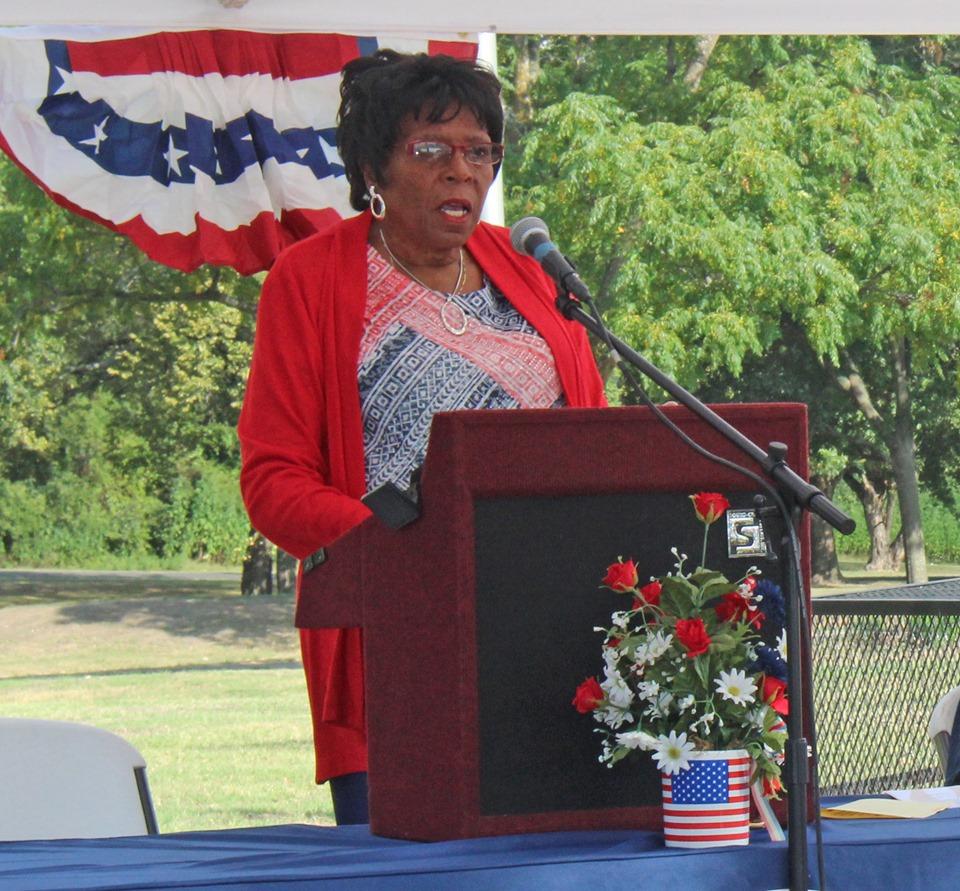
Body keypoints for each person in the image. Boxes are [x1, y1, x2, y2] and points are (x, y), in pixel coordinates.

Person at [237, 50, 606, 825]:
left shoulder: (532, 274)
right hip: (399, 649)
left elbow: (595, 442)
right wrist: (405, 553)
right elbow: (274, 478)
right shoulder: (311, 280)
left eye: (480, 152)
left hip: (552, 646)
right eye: (431, 151)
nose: (460, 173)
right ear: (373, 167)